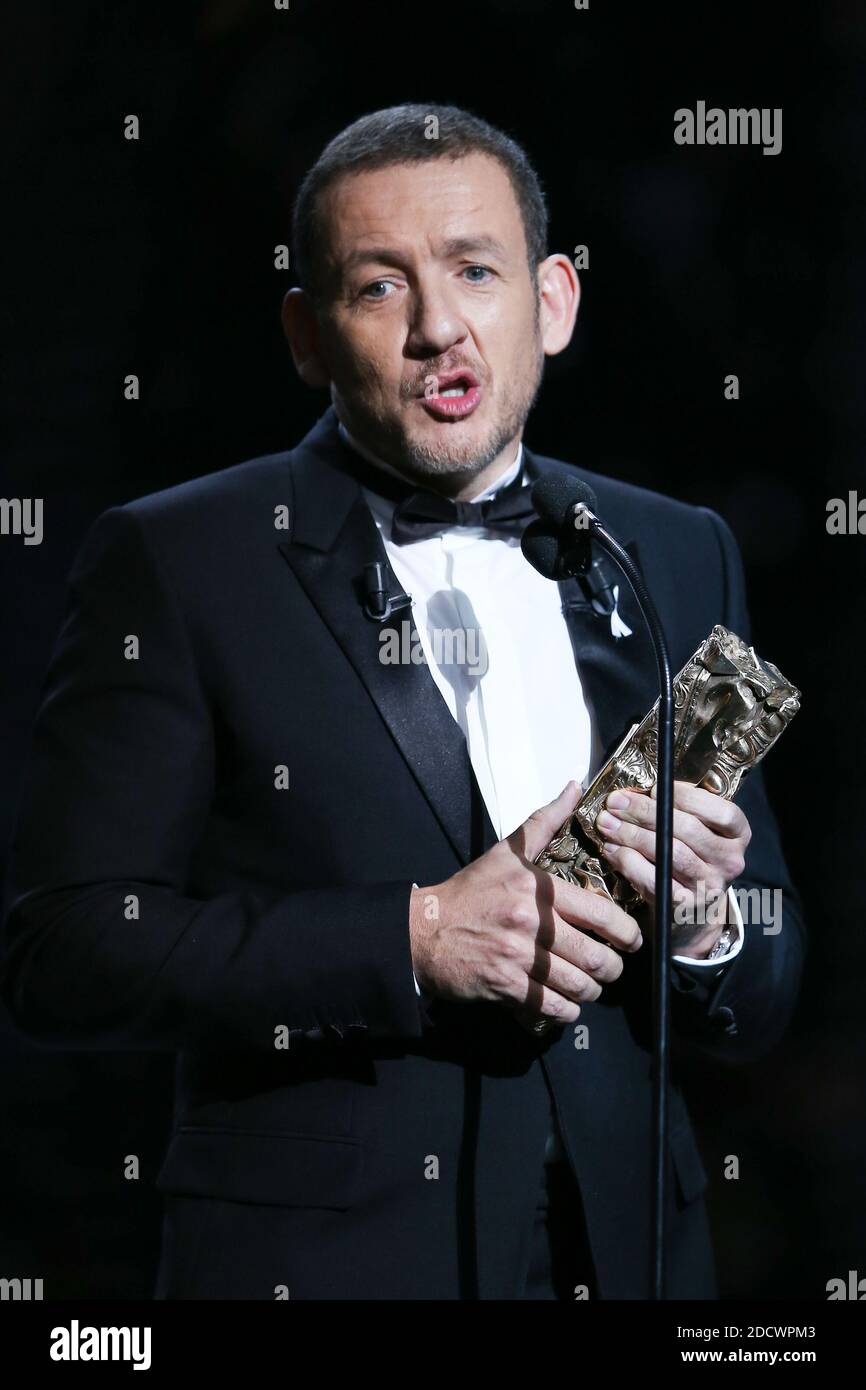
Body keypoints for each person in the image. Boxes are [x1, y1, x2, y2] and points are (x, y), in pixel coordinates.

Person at [1, 104, 805, 1300]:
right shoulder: (179, 559)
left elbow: (764, 982)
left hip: (634, 1260)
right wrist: (414, 937)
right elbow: (61, 953)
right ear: (306, 336)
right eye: (379, 288)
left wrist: (705, 924)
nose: (438, 327)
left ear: (553, 302)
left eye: (474, 270)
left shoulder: (674, 549)